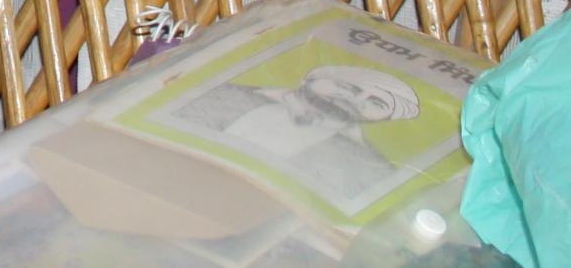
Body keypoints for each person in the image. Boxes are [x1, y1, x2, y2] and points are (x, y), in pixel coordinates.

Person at [167, 63, 419, 203]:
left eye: (377, 103)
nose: (353, 100)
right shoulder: (214, 95)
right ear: (309, 79)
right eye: (346, 86)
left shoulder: (373, 170)